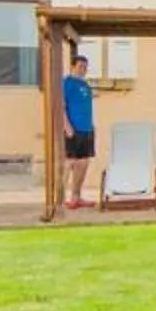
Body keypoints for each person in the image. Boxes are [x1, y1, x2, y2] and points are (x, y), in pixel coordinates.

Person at [60, 51, 97, 208]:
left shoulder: (85, 85)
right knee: (69, 163)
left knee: (83, 163)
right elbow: (60, 106)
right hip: (72, 130)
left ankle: (76, 197)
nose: (83, 70)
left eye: (85, 67)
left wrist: (91, 126)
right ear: (73, 67)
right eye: (80, 66)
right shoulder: (67, 83)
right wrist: (66, 126)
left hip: (86, 129)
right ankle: (59, 199)